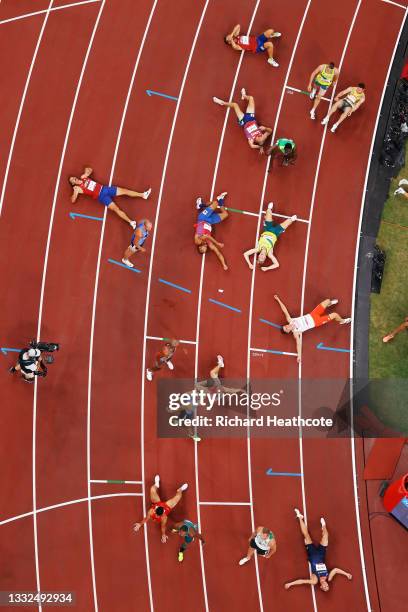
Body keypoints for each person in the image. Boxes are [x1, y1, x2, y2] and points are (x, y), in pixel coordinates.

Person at [284, 508, 352, 591]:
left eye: (324, 587)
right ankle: (323, 526)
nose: (326, 585)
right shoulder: (329, 577)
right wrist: (346, 574)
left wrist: (290, 584)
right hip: (321, 553)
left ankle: (300, 517)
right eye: (327, 586)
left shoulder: (314, 580)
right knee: (326, 536)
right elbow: (336, 570)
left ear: (321, 587)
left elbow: (302, 581)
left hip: (312, 553)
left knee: (306, 535)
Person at [274, 294, 351, 362]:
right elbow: (298, 344)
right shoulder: (296, 333)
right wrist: (299, 356)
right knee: (335, 315)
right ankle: (342, 321)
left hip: (313, 314)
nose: (287, 327)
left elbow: (284, 310)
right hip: (317, 322)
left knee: (327, 301)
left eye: (285, 326)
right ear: (288, 332)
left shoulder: (290, 320)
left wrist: (278, 300)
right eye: (286, 329)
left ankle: (329, 304)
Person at [69, 166, 151, 229]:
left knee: (125, 191)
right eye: (72, 180)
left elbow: (89, 169)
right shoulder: (78, 189)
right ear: (73, 184)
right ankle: (131, 222)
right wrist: (75, 192)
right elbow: (72, 200)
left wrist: (86, 172)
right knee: (116, 209)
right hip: (101, 197)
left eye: (73, 177)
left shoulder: (83, 177)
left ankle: (143, 195)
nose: (73, 179)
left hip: (105, 189)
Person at [243, 202, 297, 272]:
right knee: (291, 220)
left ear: (258, 256)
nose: (262, 256)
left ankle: (269, 209)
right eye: (263, 258)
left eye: (260, 257)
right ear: (265, 257)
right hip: (275, 233)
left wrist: (249, 264)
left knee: (268, 212)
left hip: (267, 229)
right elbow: (277, 264)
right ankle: (290, 221)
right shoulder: (270, 254)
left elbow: (245, 254)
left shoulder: (257, 249)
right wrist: (267, 268)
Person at [133, 475, 188, 543]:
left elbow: (163, 527)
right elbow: (146, 518)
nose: (157, 516)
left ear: (162, 514)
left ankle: (180, 490)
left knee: (178, 497)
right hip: (157, 503)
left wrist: (163, 535)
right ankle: (156, 484)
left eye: (158, 515)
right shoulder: (151, 511)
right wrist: (140, 524)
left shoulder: (164, 518)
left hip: (166, 506)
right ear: (155, 510)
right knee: (152, 489)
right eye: (156, 514)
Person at [194, 192, 229, 270]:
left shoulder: (198, 241)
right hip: (210, 221)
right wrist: (224, 265)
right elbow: (218, 253)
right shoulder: (209, 244)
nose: (205, 249)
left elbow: (207, 236)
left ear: (200, 248)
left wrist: (217, 243)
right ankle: (220, 199)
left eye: (203, 250)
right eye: (205, 250)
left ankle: (200, 205)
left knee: (214, 203)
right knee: (225, 214)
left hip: (202, 218)